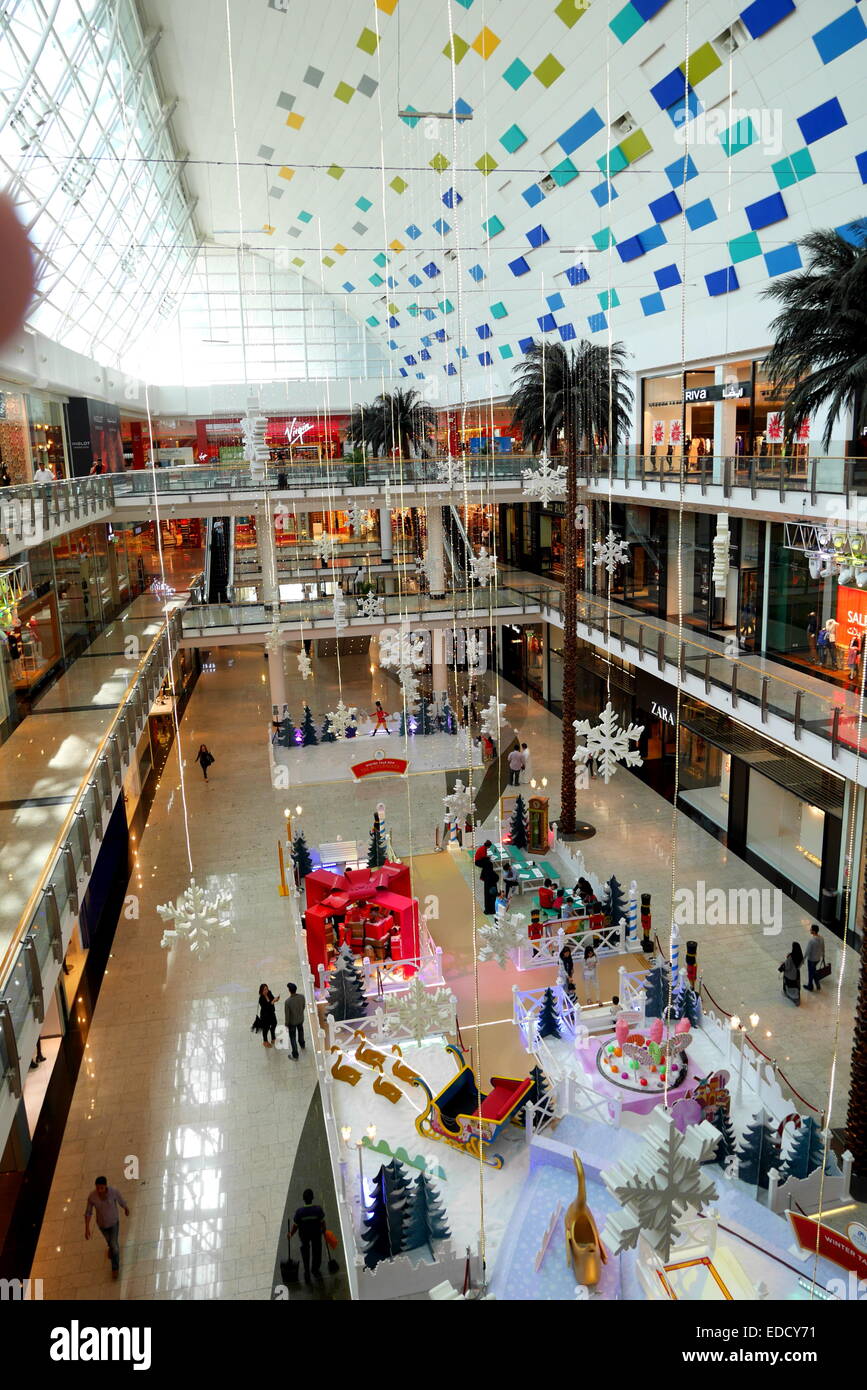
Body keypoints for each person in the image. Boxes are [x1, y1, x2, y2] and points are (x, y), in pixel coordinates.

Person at [84, 1175, 130, 1281]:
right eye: (97, 1188)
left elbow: (121, 1201)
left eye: (101, 1188)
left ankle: (115, 1267)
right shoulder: (92, 1197)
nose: (99, 1190)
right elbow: (88, 1212)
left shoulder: (114, 1192)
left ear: (106, 1186)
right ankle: (111, 1248)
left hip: (114, 1223)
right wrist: (87, 1228)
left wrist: (126, 1208)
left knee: (114, 1246)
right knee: (109, 1242)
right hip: (102, 1225)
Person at [289, 1188, 327, 1284]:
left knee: (305, 1251)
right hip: (316, 1234)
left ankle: (306, 1271)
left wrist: (290, 1234)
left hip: (304, 1235)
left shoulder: (299, 1212)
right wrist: (324, 1230)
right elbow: (322, 1222)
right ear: (313, 1198)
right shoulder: (318, 1210)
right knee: (317, 1251)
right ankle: (315, 1269)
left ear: (303, 1199)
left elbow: (295, 1226)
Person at [283, 982, 306, 1058]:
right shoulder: (302, 997)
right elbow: (303, 1007)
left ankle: (295, 1054)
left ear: (289, 990)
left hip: (292, 1022)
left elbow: (287, 1015)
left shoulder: (287, 1002)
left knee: (292, 1037)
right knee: (301, 1031)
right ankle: (302, 1044)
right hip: (300, 1019)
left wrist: (286, 1024)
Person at [804, 924, 826, 993]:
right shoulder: (821, 938)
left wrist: (803, 959)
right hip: (818, 959)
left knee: (811, 973)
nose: (810, 930)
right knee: (814, 971)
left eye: (811, 929)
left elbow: (807, 951)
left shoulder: (811, 941)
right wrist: (823, 956)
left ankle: (810, 986)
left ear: (813, 931)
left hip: (811, 959)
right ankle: (818, 985)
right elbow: (823, 947)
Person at [258, 982, 279, 1047]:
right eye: (264, 990)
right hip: (265, 1016)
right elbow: (266, 1007)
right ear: (261, 991)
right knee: (266, 1028)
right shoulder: (261, 999)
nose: (266, 991)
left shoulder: (269, 993)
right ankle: (265, 1041)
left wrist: (276, 999)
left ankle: (273, 1038)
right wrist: (272, 1002)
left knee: (274, 1024)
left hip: (272, 1013)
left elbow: (272, 998)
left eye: (266, 989)